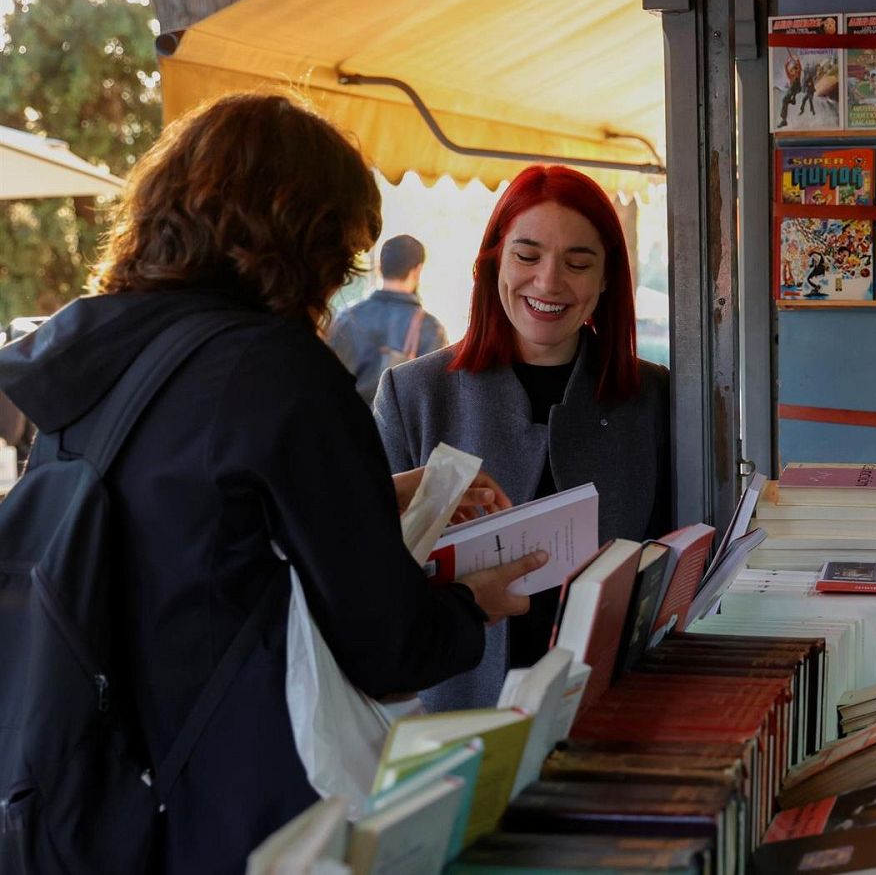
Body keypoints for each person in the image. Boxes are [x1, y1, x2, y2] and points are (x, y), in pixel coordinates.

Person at [0, 92, 540, 873]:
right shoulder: (278, 372)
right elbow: (389, 644)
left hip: (92, 790)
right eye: (343, 249)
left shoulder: (98, 358)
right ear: (303, 237)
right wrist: (475, 605)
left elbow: (186, 528)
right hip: (247, 808)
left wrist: (378, 495)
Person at [374, 164, 671, 712]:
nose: (549, 282)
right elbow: (369, 581)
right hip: (458, 725)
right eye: (527, 256)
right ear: (492, 264)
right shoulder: (411, 394)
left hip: (617, 718)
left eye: (578, 262)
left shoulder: (654, 398)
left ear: (607, 277)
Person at [327, 234, 449, 406]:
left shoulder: (345, 318)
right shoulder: (430, 329)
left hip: (346, 428)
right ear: (417, 270)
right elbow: (436, 399)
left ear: (379, 268)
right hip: (395, 431)